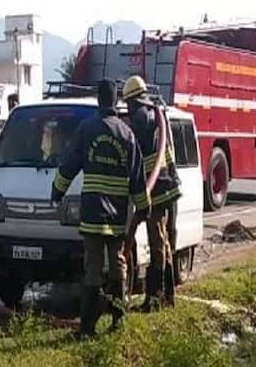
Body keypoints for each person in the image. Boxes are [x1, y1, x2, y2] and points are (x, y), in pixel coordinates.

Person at [51, 79, 149, 337]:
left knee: (92, 268)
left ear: (98, 100)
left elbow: (69, 165)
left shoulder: (87, 129)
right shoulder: (126, 133)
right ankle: (118, 321)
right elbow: (138, 176)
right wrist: (143, 207)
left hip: (93, 213)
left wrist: (56, 192)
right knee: (118, 265)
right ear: (117, 100)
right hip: (117, 215)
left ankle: (87, 328)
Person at [123, 75, 181, 309]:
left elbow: (134, 153)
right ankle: (167, 296)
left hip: (155, 188)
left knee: (157, 242)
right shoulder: (156, 115)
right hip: (167, 185)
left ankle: (155, 298)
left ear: (131, 101)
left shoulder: (139, 118)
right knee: (164, 242)